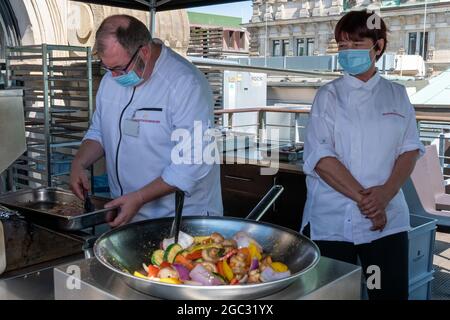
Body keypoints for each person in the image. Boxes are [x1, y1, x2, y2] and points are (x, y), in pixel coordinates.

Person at [301, 10, 424, 300]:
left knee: (386, 294)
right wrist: (370, 203)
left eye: (356, 45)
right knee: (332, 296)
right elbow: (321, 157)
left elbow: (409, 151)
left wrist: (385, 196)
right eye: (343, 46)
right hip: (333, 221)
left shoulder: (397, 94)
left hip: (387, 223)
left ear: (377, 46)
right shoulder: (327, 96)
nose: (347, 53)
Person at [70, 15, 223, 227]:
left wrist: (140, 197)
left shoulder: (185, 84)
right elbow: (99, 131)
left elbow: (192, 162)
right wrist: (79, 163)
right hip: (127, 213)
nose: (114, 77)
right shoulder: (110, 81)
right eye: (107, 68)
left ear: (144, 51)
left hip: (180, 218)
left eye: (120, 69)